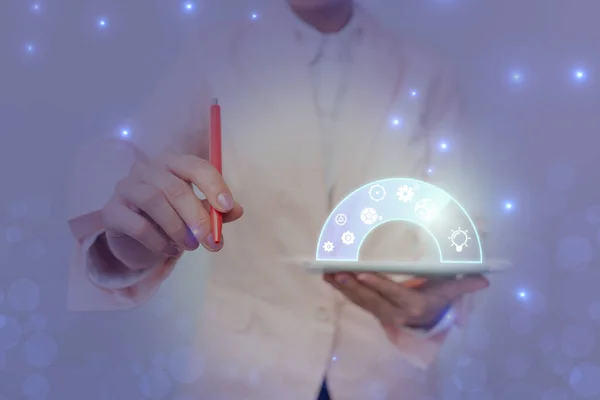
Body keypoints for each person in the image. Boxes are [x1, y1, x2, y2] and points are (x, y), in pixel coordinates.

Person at [66, 0, 490, 398]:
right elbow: (136, 182)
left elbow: (462, 224)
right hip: (245, 372)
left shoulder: (428, 73)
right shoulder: (210, 58)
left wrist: (433, 311)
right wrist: (121, 247)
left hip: (385, 375)